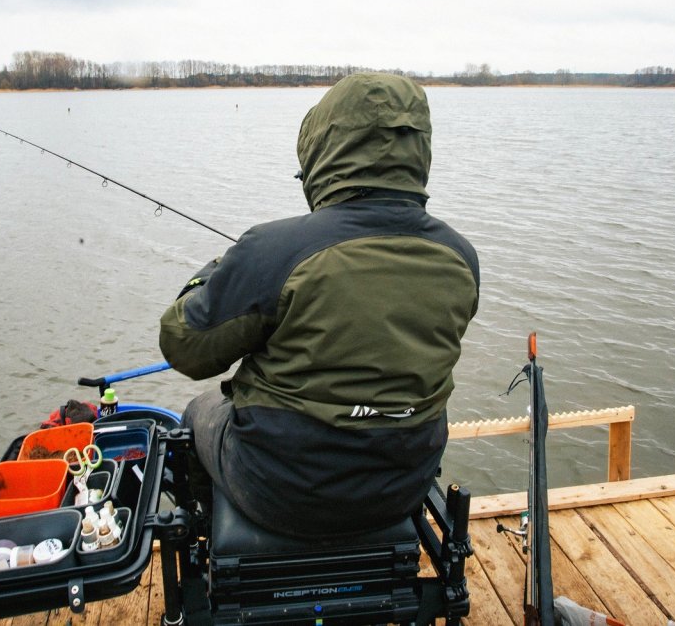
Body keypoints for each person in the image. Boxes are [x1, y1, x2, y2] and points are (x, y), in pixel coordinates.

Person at [159, 72, 480, 537]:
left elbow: (183, 347)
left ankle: (204, 542)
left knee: (196, 409)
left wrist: (212, 274)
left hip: (278, 493)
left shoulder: (271, 249)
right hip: (402, 486)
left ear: (323, 155)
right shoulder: (461, 256)